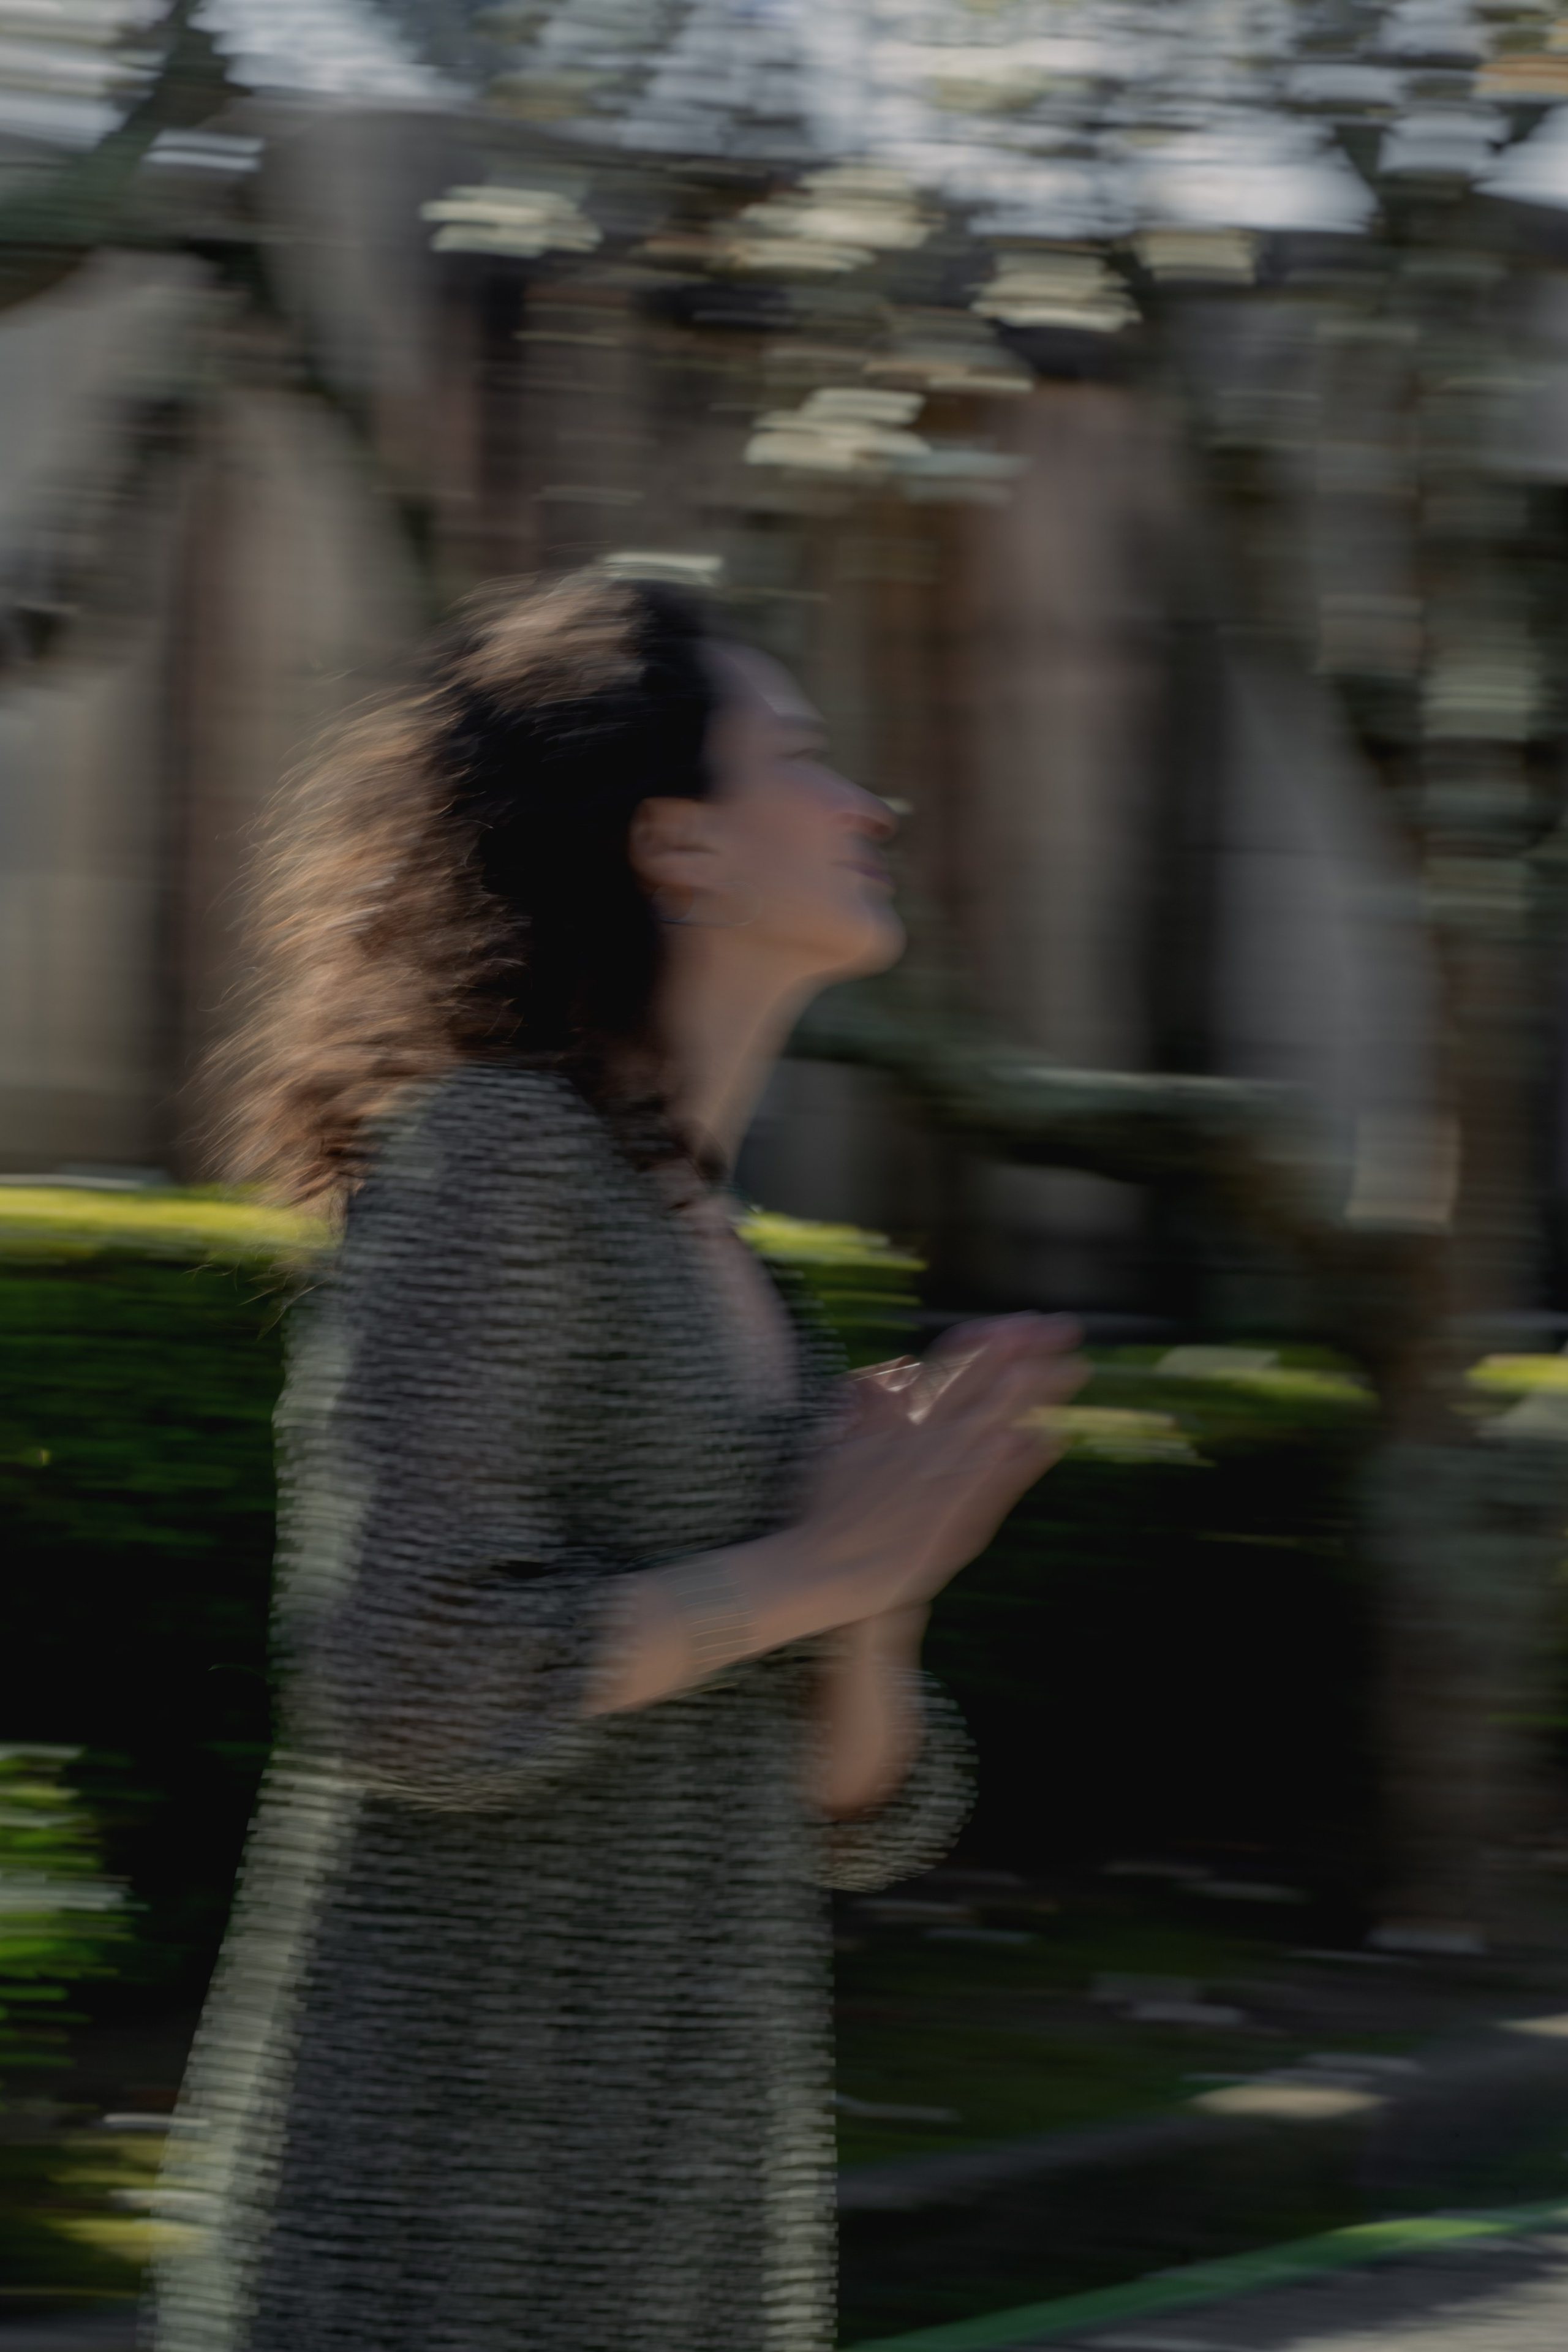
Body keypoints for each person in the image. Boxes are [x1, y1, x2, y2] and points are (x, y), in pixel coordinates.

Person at [149, 570, 1084, 2352]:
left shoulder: (727, 1262)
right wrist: (813, 1574)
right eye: (804, 760)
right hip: (435, 2224)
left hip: (689, 2222)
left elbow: (859, 1817)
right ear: (679, 843)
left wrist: (876, 1614)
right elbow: (409, 1675)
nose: (867, 804)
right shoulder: (498, 1166)